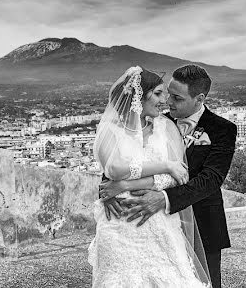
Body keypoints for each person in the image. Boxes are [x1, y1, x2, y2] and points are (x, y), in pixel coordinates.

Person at [112, 65, 237, 288]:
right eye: (168, 93)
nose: (168, 101)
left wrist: (165, 198)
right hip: (159, 225)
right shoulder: (156, 122)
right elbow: (125, 159)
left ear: (199, 99)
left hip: (202, 222)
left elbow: (211, 179)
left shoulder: (223, 129)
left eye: (177, 98)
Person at [88, 66, 211, 288]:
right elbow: (114, 169)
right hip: (118, 223)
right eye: (158, 93)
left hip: (157, 221)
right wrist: (165, 165)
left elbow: (178, 177)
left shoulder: (166, 128)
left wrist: (124, 184)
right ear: (138, 96)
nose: (165, 100)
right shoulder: (110, 129)